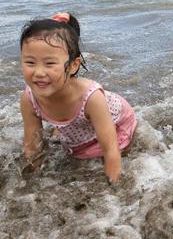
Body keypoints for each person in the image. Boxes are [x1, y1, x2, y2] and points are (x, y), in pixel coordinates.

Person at [20, 13, 137, 184]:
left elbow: (111, 149)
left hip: (117, 124)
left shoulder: (91, 98)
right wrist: (31, 183)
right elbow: (32, 147)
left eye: (49, 63)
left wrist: (115, 189)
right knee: (65, 147)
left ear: (74, 65)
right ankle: (62, 128)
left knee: (95, 160)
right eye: (30, 63)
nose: (38, 72)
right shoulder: (29, 98)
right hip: (81, 123)